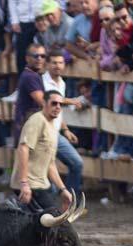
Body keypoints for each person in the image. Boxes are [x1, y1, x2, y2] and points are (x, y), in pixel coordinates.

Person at [11, 90, 73, 212]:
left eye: (61, 104)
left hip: (41, 184)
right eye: (54, 103)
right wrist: (24, 184)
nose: (58, 107)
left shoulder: (52, 127)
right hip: (31, 185)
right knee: (52, 220)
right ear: (44, 103)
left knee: (45, 222)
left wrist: (63, 190)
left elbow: (50, 164)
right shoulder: (37, 120)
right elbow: (23, 149)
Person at [43, 50, 86, 196]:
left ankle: (69, 203)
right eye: (54, 62)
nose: (57, 66)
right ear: (47, 64)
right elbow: (51, 101)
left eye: (60, 62)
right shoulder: (41, 82)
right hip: (42, 134)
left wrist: (66, 129)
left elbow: (57, 110)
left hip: (56, 133)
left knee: (77, 163)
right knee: (47, 177)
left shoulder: (61, 82)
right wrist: (72, 101)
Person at [13, 43, 47, 146]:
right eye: (36, 56)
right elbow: (42, 102)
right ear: (27, 58)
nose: (39, 59)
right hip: (28, 129)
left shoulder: (33, 75)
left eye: (43, 56)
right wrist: (69, 101)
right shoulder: (30, 76)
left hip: (30, 127)